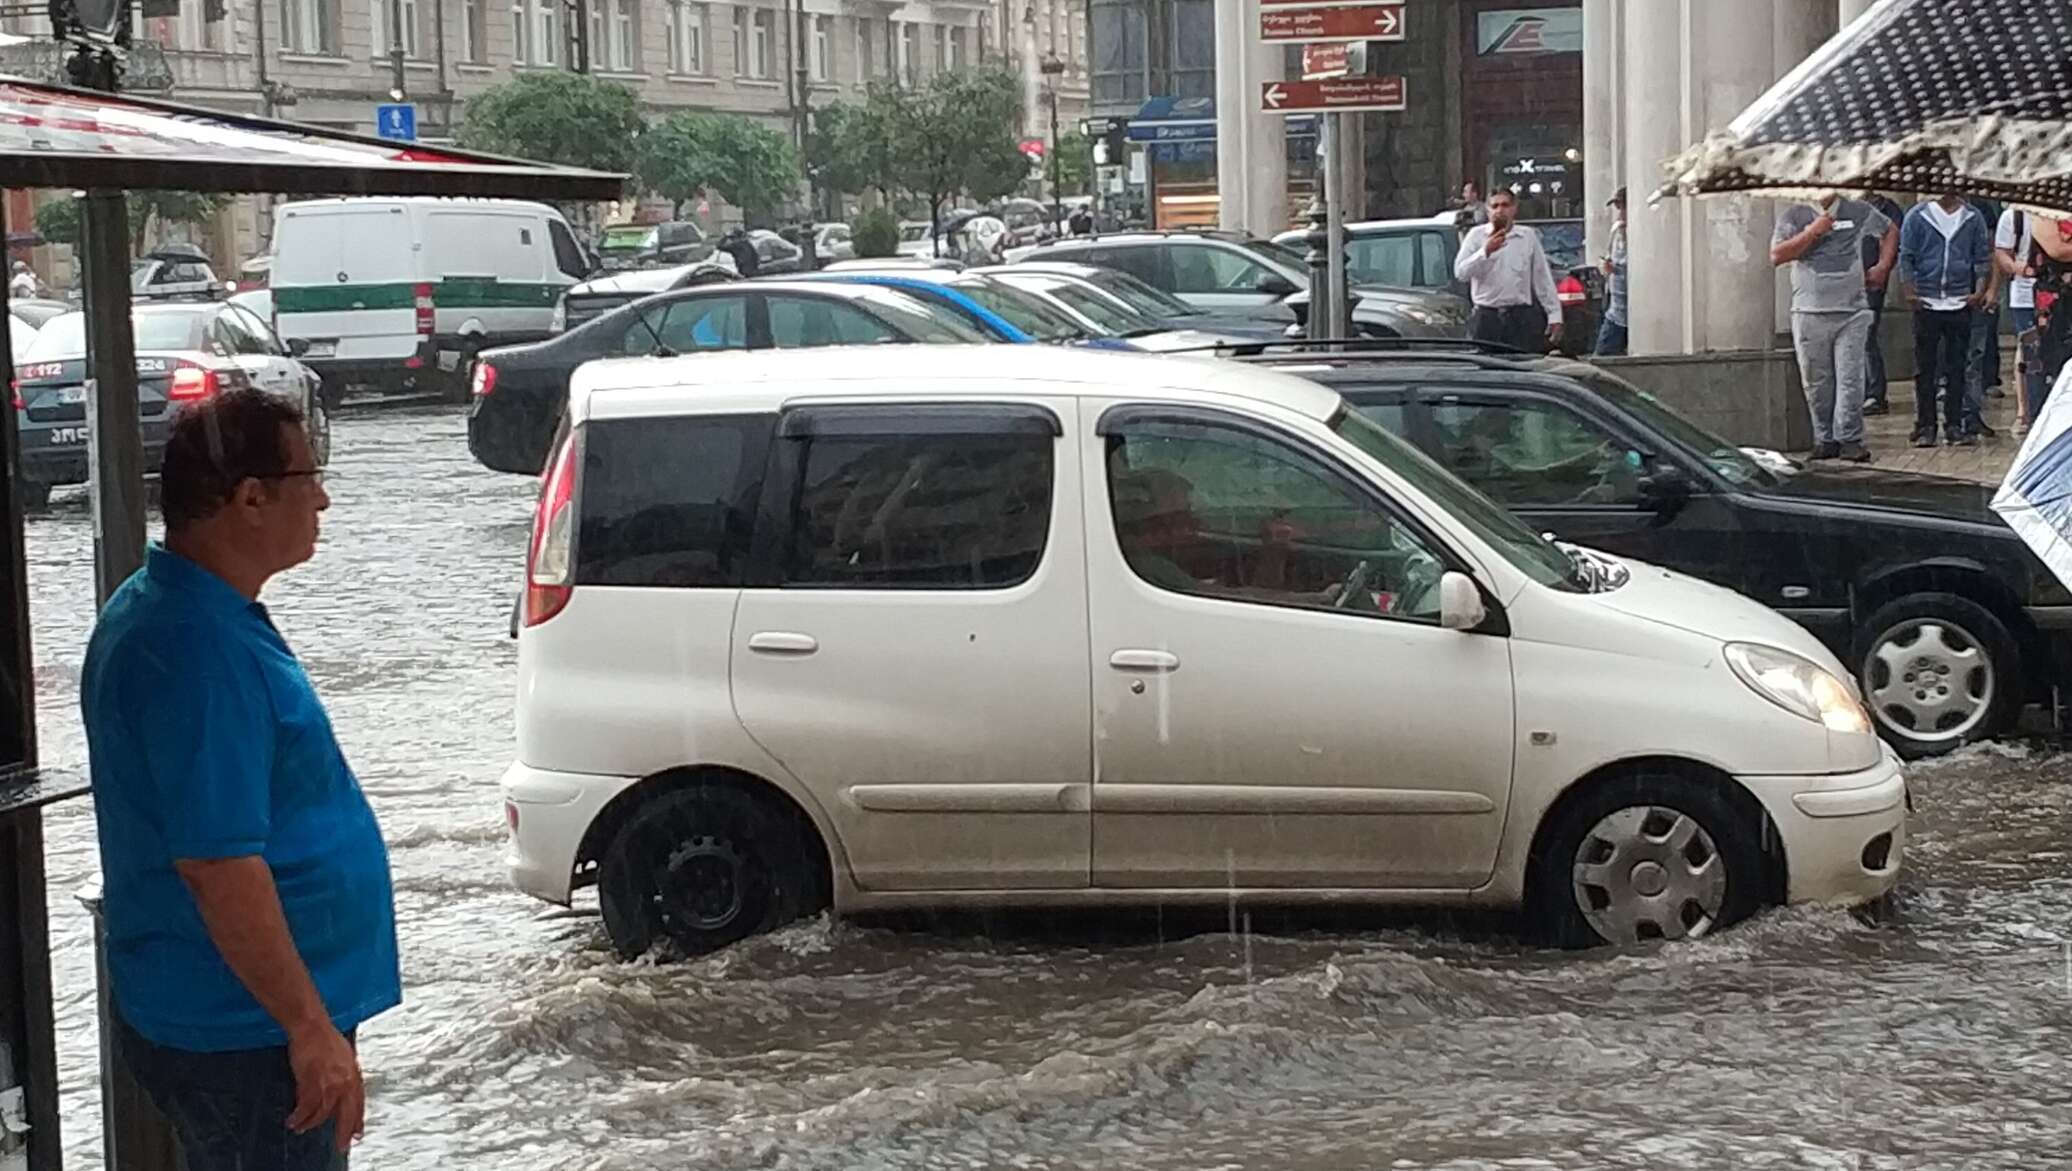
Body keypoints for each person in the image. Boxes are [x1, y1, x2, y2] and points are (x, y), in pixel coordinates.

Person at [81, 389, 397, 1170]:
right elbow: (218, 865)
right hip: (243, 1033)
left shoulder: (185, 611)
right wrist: (309, 1029)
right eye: (307, 477)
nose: (322, 497)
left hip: (235, 1019)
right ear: (250, 497)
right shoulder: (193, 651)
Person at [1771, 191, 1894, 462]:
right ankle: (1824, 438)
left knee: (1851, 378)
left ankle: (1850, 438)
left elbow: (1889, 230)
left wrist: (1883, 266)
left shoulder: (1858, 209)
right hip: (1809, 311)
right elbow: (1777, 255)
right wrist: (1812, 232)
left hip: (1852, 310)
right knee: (1817, 381)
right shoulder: (1794, 215)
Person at [1898, 192, 1993, 447]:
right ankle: (1926, 424)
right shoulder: (1917, 216)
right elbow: (1906, 255)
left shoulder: (1973, 217)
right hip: (1927, 301)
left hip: (1959, 300)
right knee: (1925, 368)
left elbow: (1982, 257)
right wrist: (1909, 291)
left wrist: (1980, 290)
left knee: (1957, 366)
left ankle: (1954, 424)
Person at [1453, 189, 1563, 355]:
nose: (1499, 210)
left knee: (1523, 367)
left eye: (1505, 205)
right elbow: (1461, 273)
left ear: (1514, 208)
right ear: (1487, 209)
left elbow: (1542, 278)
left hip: (1520, 317)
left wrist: (1554, 315)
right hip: (1486, 317)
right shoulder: (1476, 236)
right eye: (1494, 206)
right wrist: (1485, 252)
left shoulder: (1527, 236)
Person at [1996, 205, 2044, 436]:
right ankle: (2025, 411)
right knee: (2028, 350)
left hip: (2058, 292)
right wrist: (2018, 268)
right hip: (2024, 293)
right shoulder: (2014, 216)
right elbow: (2002, 253)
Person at [1859, 193, 1904, 415]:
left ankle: (1874, 392)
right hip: (1845, 281)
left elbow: (1895, 237)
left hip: (1871, 281)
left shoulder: (1887, 208)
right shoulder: (1845, 205)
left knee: (1867, 333)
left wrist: (1883, 267)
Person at [1595, 187, 1629, 357]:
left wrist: (1616, 268)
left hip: (1630, 311)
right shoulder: (1617, 231)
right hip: (1615, 308)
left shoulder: (1639, 235)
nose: (1620, 213)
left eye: (1623, 207)